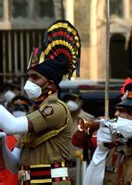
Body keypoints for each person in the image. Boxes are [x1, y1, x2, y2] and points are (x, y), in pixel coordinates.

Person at [0, 20, 81, 184]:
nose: (29, 81)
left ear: (50, 84)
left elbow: (12, 126)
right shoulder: (33, 114)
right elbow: (14, 166)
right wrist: (2, 144)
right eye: (28, 76)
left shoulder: (56, 109)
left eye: (35, 77)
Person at [62, 93, 95, 184]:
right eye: (68, 99)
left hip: (80, 167)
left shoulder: (89, 120)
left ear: (81, 101)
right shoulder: (60, 119)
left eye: (73, 99)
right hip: (61, 167)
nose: (70, 102)